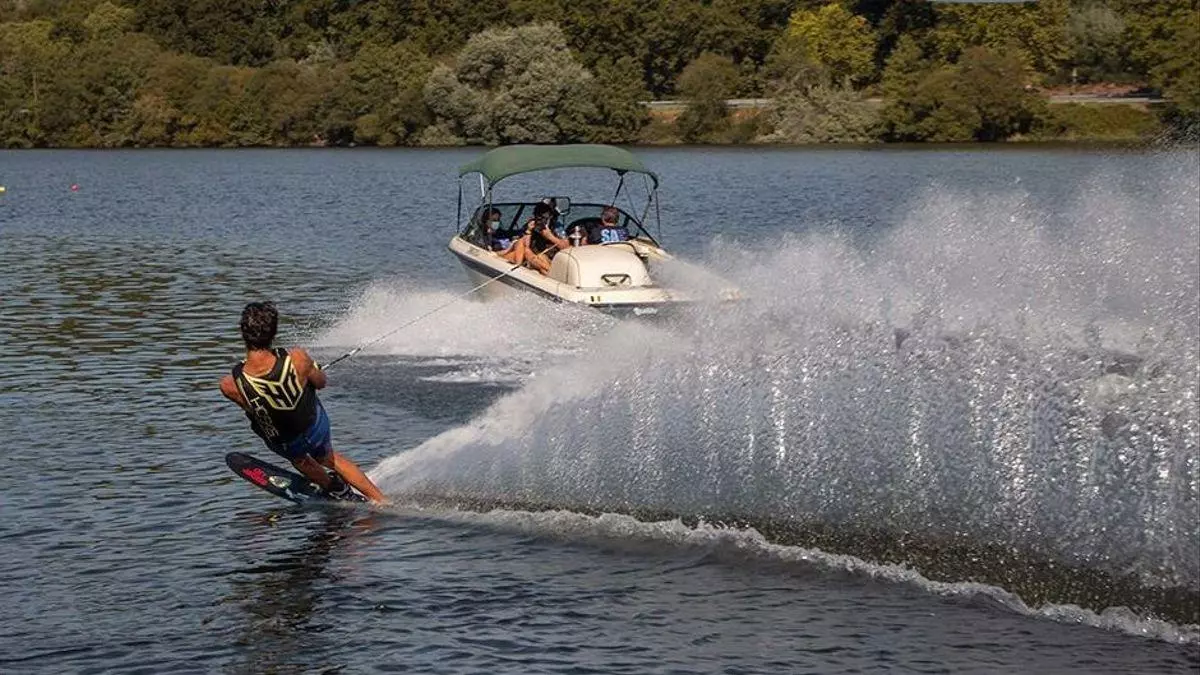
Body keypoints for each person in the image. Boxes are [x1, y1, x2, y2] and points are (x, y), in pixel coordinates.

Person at [219, 301, 387, 504]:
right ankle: (382, 500)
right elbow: (321, 383)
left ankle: (336, 488)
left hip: (287, 441)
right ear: (274, 333)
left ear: (242, 332)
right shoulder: (298, 358)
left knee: (297, 457)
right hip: (316, 426)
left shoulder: (230, 385)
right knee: (329, 457)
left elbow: (253, 410)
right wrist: (310, 372)